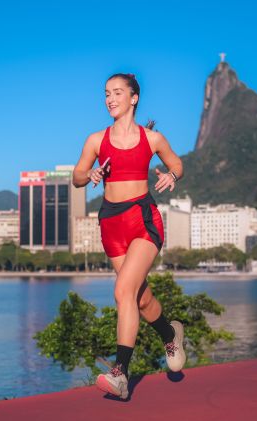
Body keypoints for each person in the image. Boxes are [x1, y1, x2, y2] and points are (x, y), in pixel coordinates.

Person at [72, 73, 185, 399]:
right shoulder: (96, 140)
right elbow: (78, 176)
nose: (110, 99)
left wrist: (173, 175)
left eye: (117, 93)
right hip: (111, 225)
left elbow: (176, 161)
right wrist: (89, 173)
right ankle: (170, 332)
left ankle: (120, 373)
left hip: (142, 220)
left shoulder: (152, 139)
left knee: (123, 290)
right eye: (106, 93)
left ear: (133, 98)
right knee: (138, 297)